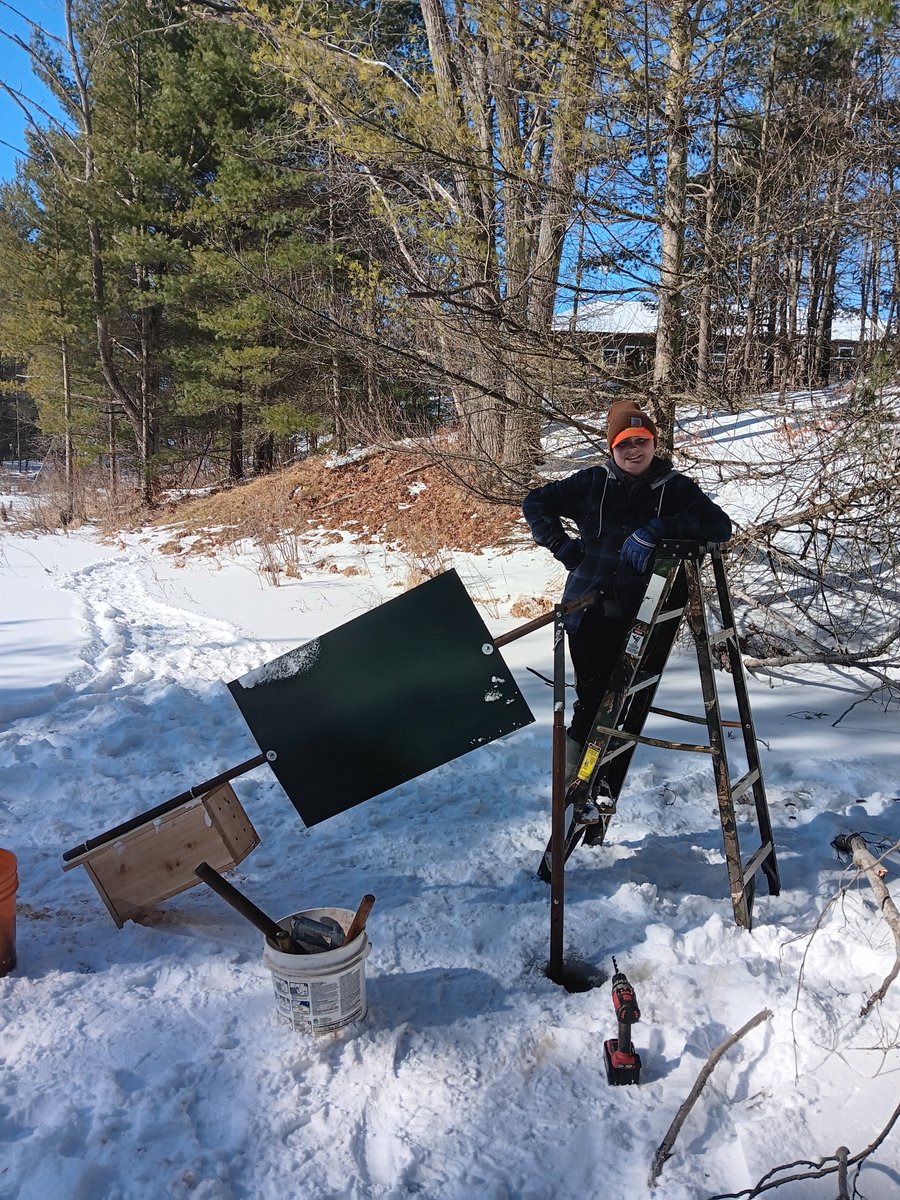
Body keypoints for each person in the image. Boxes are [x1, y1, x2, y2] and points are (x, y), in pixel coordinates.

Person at [522, 400, 732, 819]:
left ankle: (601, 784)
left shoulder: (673, 488)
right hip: (589, 609)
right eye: (623, 444)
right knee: (592, 699)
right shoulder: (593, 482)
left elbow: (719, 526)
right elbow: (536, 503)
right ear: (612, 448)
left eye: (641, 441)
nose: (633, 451)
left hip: (643, 616)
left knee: (627, 706)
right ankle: (577, 787)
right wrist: (564, 547)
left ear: (653, 442)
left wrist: (658, 528)